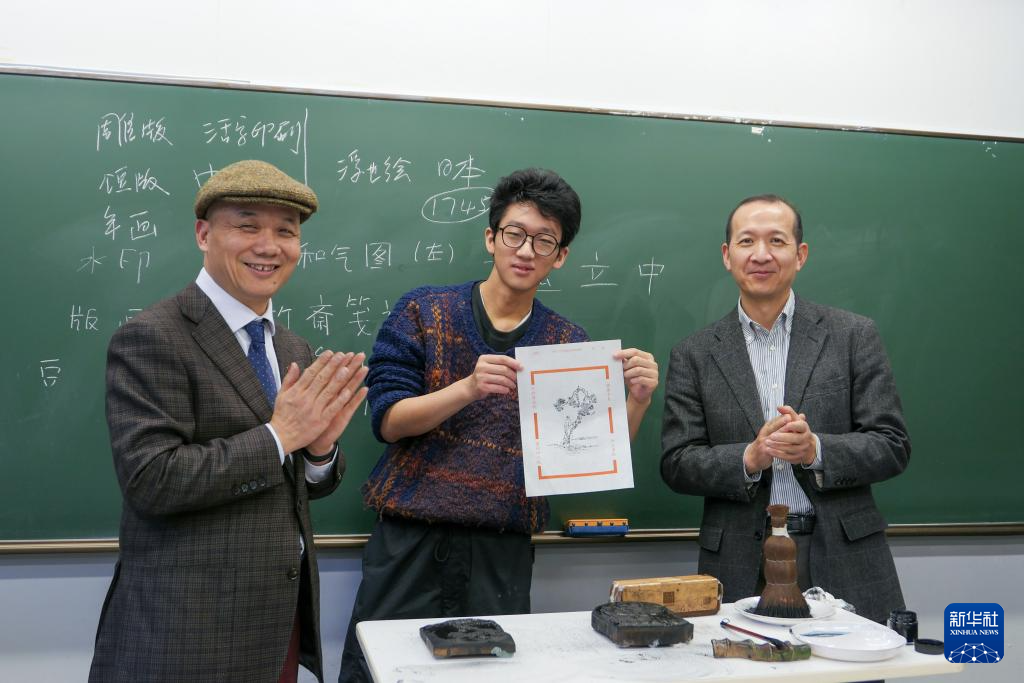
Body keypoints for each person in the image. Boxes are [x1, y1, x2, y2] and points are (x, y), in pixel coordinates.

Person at [339, 168, 659, 682]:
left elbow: (589, 460)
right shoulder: (424, 311)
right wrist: (466, 388)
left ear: (560, 256)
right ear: (491, 238)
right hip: (409, 542)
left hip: (500, 550)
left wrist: (637, 401)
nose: (526, 250)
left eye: (544, 240)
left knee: (491, 675)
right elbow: (389, 421)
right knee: (382, 670)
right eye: (515, 234)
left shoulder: (566, 344)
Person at [89, 160, 368, 683]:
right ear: (203, 234)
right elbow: (151, 479)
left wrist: (318, 452)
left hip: (277, 625)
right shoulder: (152, 337)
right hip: (185, 633)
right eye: (247, 226)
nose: (269, 246)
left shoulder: (293, 347)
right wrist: (280, 436)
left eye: (286, 231)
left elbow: (295, 485)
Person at [660, 194, 910, 624]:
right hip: (741, 559)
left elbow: (892, 444)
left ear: (801, 254)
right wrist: (749, 458)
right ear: (727, 255)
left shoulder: (853, 335)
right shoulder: (694, 354)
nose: (761, 254)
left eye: (776, 240)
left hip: (843, 552)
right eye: (747, 241)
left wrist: (815, 450)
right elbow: (677, 462)